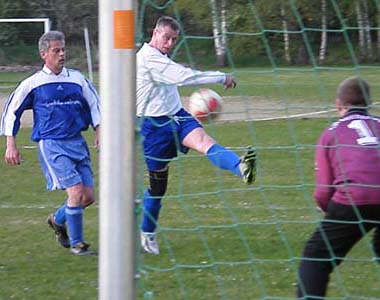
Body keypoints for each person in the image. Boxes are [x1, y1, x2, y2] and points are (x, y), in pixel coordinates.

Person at [137, 16, 257, 255]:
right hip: (152, 127)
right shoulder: (148, 59)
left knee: (204, 141)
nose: (170, 43)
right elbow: (184, 77)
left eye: (174, 39)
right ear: (155, 33)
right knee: (158, 187)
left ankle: (241, 167)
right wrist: (222, 77)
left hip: (177, 116)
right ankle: (147, 233)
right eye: (166, 38)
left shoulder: (160, 57)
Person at [0, 31, 100, 256]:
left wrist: (99, 130)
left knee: (88, 197)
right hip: (52, 144)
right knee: (75, 192)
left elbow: (95, 104)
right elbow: (11, 112)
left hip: (77, 142)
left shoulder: (76, 78)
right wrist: (11, 144)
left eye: (63, 49)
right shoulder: (33, 83)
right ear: (44, 54)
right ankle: (78, 244)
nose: (62, 54)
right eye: (56, 50)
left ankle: (57, 220)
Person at [297, 76, 380, 299]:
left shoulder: (331, 132)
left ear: (338, 104)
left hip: (355, 197)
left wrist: (329, 210)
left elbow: (323, 190)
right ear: (369, 104)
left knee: (316, 257)